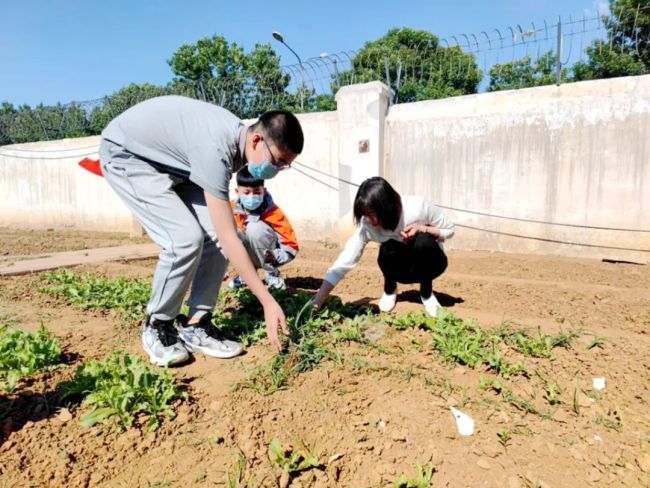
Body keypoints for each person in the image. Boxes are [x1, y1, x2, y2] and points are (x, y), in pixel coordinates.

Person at [99, 95, 304, 366]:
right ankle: (157, 326)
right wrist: (266, 300)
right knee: (184, 240)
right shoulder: (215, 148)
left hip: (178, 167)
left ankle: (197, 323)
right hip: (129, 155)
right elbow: (231, 237)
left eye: (283, 166)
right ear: (257, 141)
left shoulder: (234, 144)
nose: (276, 170)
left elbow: (223, 235)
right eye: (277, 161)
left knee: (216, 236)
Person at [312, 177, 454, 316]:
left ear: (387, 207)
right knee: (388, 247)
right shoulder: (367, 226)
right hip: (400, 269)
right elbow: (345, 260)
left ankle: (426, 294)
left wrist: (423, 228)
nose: (367, 220)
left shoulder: (418, 207)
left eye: (371, 214)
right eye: (364, 215)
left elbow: (450, 230)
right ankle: (390, 289)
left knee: (423, 242)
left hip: (429, 264)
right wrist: (319, 299)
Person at [228, 167, 299, 291]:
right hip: (246, 254)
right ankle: (246, 273)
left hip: (268, 254)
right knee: (232, 231)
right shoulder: (231, 208)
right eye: (246, 192)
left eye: (256, 192)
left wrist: (276, 257)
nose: (252, 196)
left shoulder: (273, 213)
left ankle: (271, 274)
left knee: (255, 228)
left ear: (264, 191)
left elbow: (291, 245)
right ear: (237, 191)